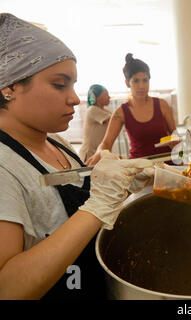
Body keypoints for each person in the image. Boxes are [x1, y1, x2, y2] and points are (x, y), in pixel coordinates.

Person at [0, 13, 155, 299]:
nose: (74, 98)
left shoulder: (56, 142)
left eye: (73, 85)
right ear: (9, 88)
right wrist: (98, 204)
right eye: (60, 85)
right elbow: (6, 286)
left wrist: (124, 186)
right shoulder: (4, 166)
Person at [86, 53, 176, 165]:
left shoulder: (162, 104)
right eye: (136, 81)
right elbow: (106, 143)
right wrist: (99, 152)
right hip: (140, 169)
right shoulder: (121, 112)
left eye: (145, 80)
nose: (142, 86)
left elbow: (174, 133)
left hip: (168, 165)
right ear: (127, 83)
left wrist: (176, 140)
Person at [78, 84, 112, 162]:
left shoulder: (106, 111)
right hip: (90, 153)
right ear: (98, 97)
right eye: (106, 95)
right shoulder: (92, 110)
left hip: (98, 152)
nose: (109, 97)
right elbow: (114, 120)